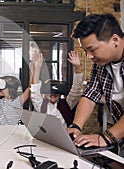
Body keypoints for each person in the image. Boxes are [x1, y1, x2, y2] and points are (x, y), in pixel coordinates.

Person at [67, 14, 124, 156]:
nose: (89, 56)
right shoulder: (101, 64)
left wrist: (106, 138)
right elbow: (91, 94)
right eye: (85, 51)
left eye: (92, 50)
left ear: (115, 40)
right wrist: (76, 126)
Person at [30, 51, 83, 127]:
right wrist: (37, 69)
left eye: (56, 91)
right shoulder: (41, 105)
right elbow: (34, 91)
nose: (53, 94)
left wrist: (77, 67)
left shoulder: (66, 104)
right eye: (49, 90)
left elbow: (77, 90)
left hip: (64, 136)